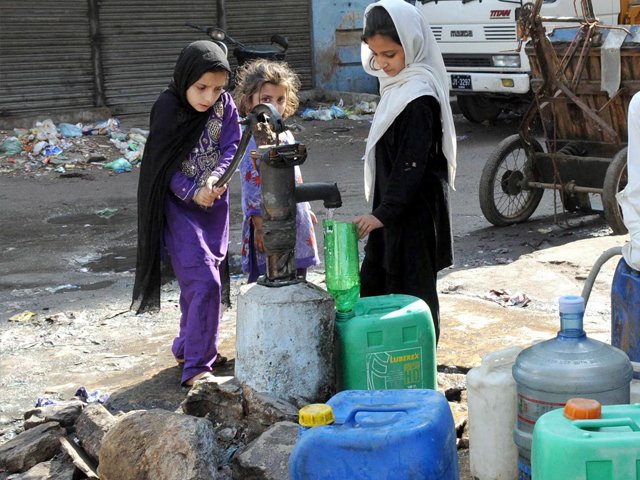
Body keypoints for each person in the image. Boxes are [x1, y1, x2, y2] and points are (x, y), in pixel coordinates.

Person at [131, 40, 241, 386]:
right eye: (201, 88)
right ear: (185, 80)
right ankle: (197, 366)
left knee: (197, 282)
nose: (209, 97)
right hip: (177, 208)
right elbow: (160, 165)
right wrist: (193, 192)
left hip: (214, 206)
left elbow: (231, 145)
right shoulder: (167, 107)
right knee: (204, 281)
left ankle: (187, 345)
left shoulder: (224, 105)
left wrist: (216, 178)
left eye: (217, 88)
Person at [353, 0, 457, 342]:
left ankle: (420, 368)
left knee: (413, 295)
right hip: (393, 208)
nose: (382, 64)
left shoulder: (419, 94)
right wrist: (384, 212)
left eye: (391, 55)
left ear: (412, 46)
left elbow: (412, 162)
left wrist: (385, 212)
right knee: (379, 283)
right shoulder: (397, 85)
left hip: (413, 211)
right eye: (376, 54)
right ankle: (382, 362)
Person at [233, 59, 319, 282]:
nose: (274, 107)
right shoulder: (252, 139)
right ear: (249, 102)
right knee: (267, 279)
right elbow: (250, 183)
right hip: (267, 221)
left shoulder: (286, 136)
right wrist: (260, 224)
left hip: (294, 213)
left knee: (296, 277)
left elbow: (295, 176)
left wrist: (305, 207)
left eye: (280, 100)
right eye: (266, 100)